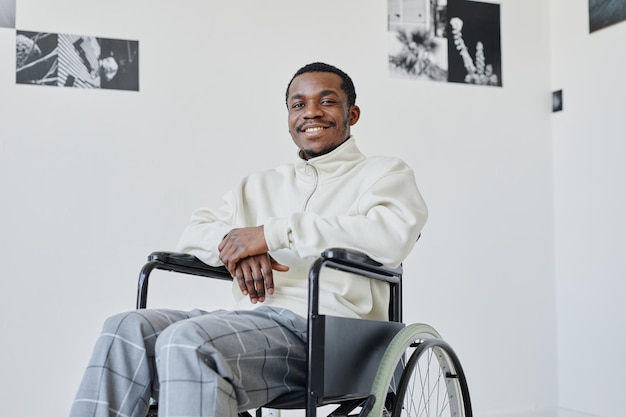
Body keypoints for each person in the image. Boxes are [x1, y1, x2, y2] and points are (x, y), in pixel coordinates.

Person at [69, 62, 428, 417]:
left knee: (191, 342)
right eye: (298, 104)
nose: (311, 112)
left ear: (353, 112)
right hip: (248, 323)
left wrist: (270, 234)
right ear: (288, 117)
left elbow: (391, 236)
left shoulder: (384, 174)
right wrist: (235, 246)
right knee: (124, 329)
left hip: (329, 335)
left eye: (327, 101)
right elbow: (194, 233)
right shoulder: (258, 185)